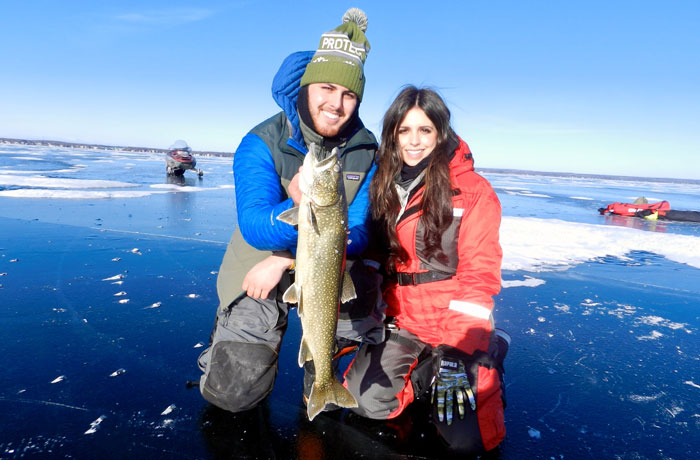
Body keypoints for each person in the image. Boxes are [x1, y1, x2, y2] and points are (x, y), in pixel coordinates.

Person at [197, 8, 386, 414]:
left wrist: (301, 255)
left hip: (330, 270)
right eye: (327, 88)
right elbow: (254, 226)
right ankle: (229, 338)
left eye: (349, 94)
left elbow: (361, 230)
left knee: (339, 402)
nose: (336, 104)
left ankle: (322, 380)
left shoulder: (366, 150)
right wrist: (298, 204)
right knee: (232, 395)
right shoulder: (260, 141)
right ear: (306, 88)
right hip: (258, 264)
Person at [343, 86, 510, 455]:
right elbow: (373, 248)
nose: (414, 141)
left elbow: (479, 275)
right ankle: (423, 369)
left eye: (425, 130)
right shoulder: (384, 183)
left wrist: (455, 351)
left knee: (468, 442)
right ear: (393, 135)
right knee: (366, 403)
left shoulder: (473, 191)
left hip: (454, 322)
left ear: (441, 133)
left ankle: (489, 351)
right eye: (404, 131)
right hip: (403, 318)